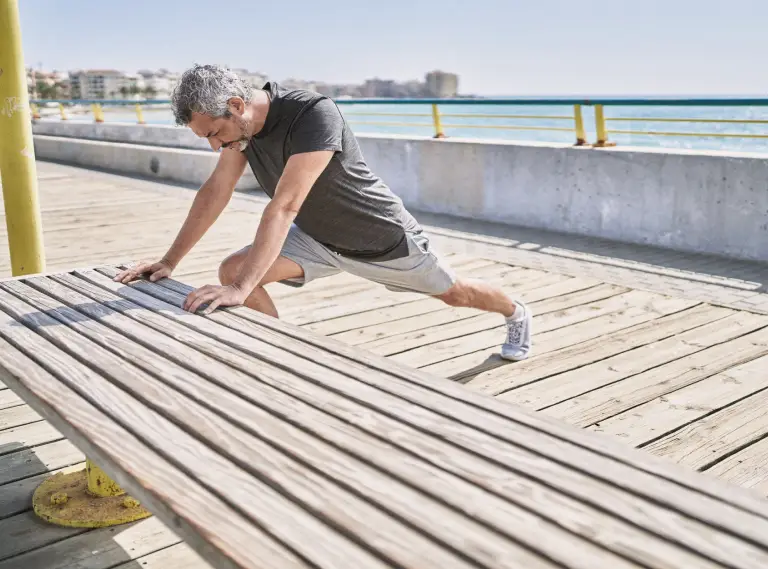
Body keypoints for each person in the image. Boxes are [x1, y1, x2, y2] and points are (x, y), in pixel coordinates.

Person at [114, 64, 532, 361]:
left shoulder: (312, 113)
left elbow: (286, 204)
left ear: (237, 105)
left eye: (214, 133)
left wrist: (242, 290)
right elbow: (214, 192)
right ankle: (283, 362)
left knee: (456, 294)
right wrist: (170, 261)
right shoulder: (238, 135)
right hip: (317, 240)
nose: (214, 145)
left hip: (381, 240)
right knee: (234, 269)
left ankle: (516, 312)